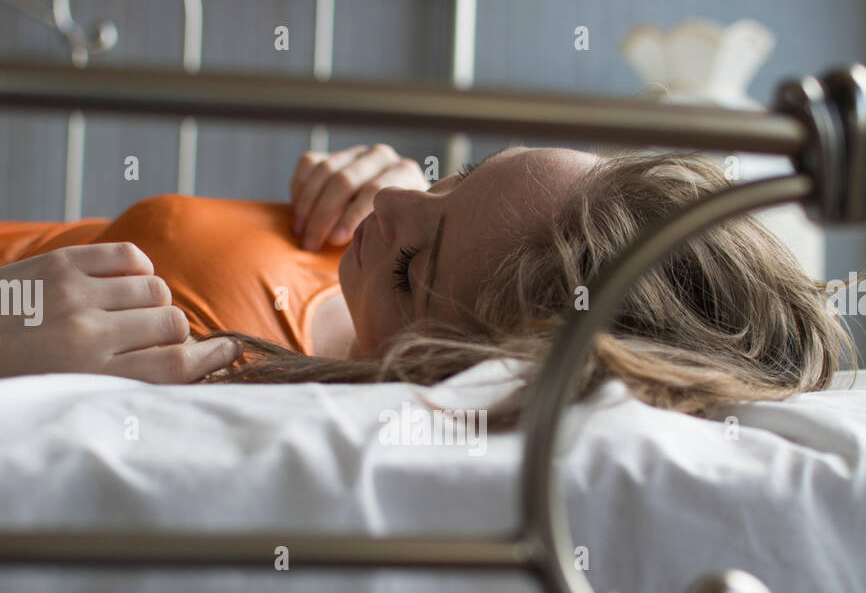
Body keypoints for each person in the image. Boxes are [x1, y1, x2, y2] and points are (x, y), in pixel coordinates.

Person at [0, 143, 853, 417]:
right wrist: (413, 218)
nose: (399, 197)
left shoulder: (207, 378)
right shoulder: (366, 229)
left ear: (448, 366)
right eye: (457, 173)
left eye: (415, 269)